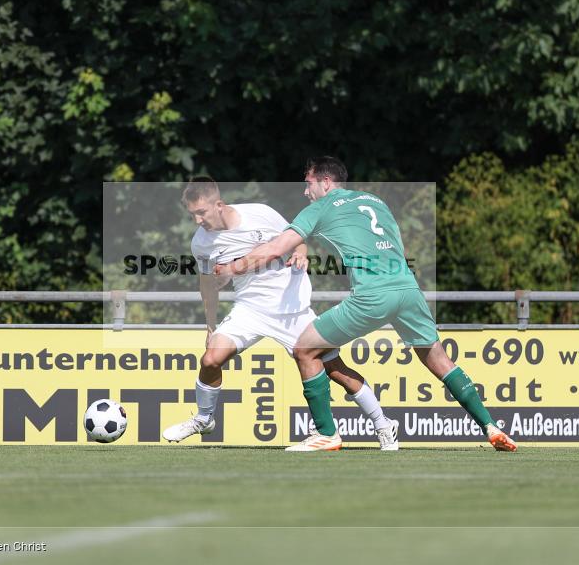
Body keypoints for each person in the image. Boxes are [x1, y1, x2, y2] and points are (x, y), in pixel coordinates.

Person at [215, 157, 517, 452]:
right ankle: (490, 426)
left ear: (326, 182)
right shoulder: (375, 201)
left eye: (308, 184)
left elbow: (276, 247)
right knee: (439, 359)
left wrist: (235, 267)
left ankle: (326, 434)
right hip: (408, 290)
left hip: (373, 295)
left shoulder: (322, 206)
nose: (305, 192)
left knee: (304, 349)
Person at [162, 177, 400, 451]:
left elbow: (297, 238)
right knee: (211, 359)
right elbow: (206, 283)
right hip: (249, 310)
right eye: (192, 215)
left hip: (292, 310)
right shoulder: (201, 243)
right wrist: (210, 325)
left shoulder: (259, 213)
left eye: (201, 212)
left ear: (219, 205)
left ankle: (384, 425)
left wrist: (301, 254)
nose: (197, 221)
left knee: (337, 370)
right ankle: (204, 419)